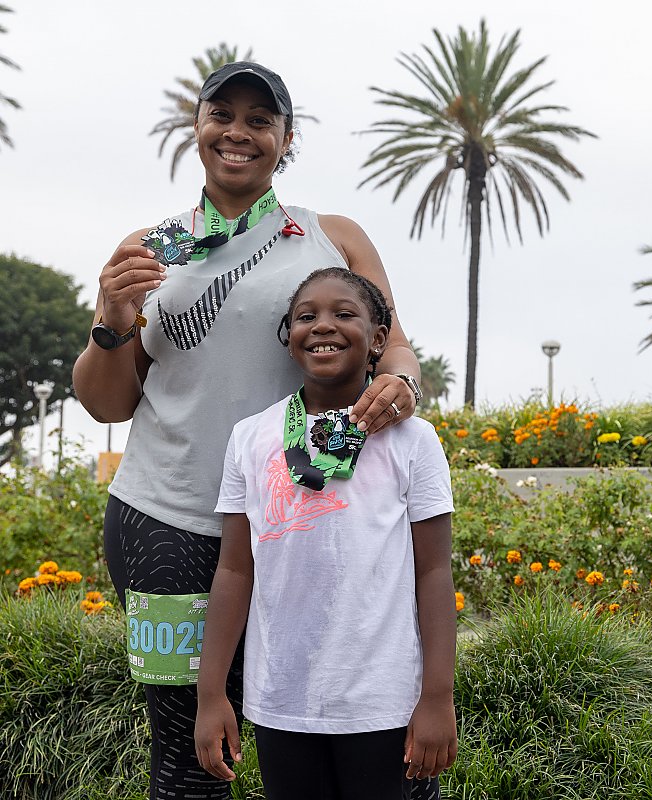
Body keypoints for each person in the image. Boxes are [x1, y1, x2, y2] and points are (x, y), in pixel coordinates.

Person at [72, 61, 425, 799]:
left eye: (260, 120)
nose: (238, 132)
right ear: (196, 128)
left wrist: (402, 384)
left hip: (309, 527)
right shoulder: (152, 248)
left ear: (286, 139)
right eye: (221, 114)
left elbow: (394, 345)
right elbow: (106, 403)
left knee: (339, 729)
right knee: (186, 750)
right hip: (167, 524)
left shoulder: (334, 237)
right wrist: (110, 322)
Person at [195, 268, 457, 798]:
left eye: (344, 314)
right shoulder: (250, 439)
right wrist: (210, 694)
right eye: (306, 316)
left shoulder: (413, 440)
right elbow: (233, 570)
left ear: (379, 339)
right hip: (280, 704)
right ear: (288, 340)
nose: (323, 326)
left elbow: (433, 572)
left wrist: (437, 697)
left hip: (380, 705)